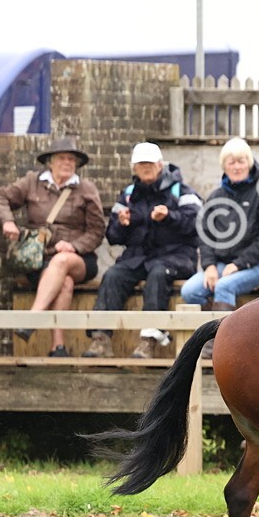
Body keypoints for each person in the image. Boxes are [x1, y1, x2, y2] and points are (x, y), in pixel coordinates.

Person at [81, 143, 202, 359]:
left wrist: (169, 217)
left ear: (160, 164)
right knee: (113, 276)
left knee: (158, 274)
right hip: (138, 257)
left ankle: (149, 341)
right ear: (133, 168)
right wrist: (121, 224)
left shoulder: (182, 191)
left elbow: (197, 226)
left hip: (177, 257)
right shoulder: (127, 195)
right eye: (141, 164)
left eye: (149, 163)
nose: (145, 168)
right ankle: (101, 339)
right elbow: (113, 236)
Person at [0, 136, 105, 357]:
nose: (67, 163)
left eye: (72, 159)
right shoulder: (32, 182)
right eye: (62, 158)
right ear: (50, 161)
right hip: (39, 259)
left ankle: (32, 318)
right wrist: (8, 221)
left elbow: (97, 231)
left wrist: (74, 246)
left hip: (78, 258)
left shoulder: (86, 189)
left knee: (62, 263)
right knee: (65, 284)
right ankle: (58, 347)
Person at [180, 137, 259, 358]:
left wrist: (239, 264)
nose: (237, 166)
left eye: (241, 161)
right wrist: (208, 266)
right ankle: (213, 330)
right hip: (222, 264)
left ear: (250, 162)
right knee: (190, 291)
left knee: (224, 287)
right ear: (224, 166)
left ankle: (218, 349)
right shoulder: (216, 197)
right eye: (231, 162)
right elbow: (205, 235)